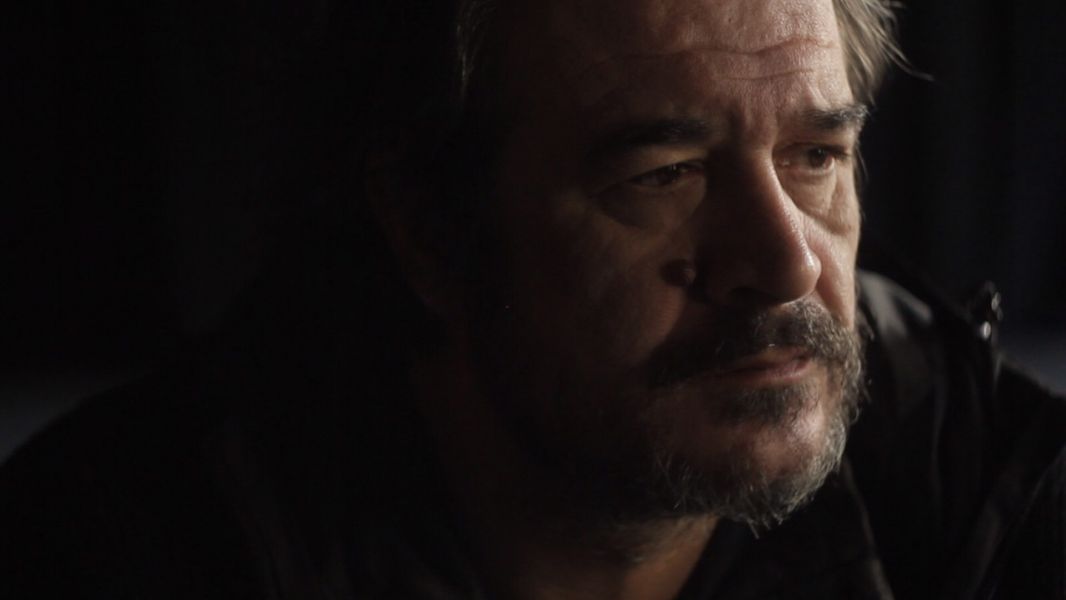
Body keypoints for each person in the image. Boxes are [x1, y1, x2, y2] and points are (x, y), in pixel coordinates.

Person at [1, 0, 1062, 598]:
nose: (786, 265)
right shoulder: (128, 547)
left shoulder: (975, 477)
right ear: (429, 232)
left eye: (817, 157)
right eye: (664, 175)